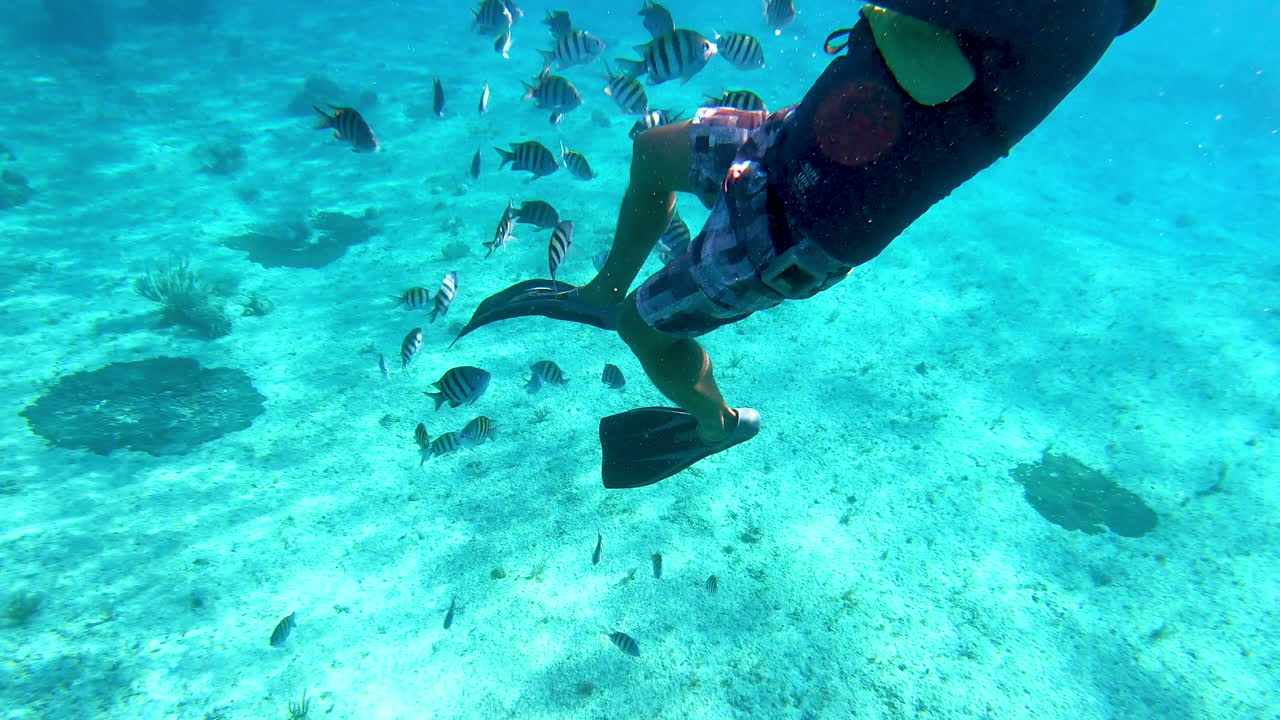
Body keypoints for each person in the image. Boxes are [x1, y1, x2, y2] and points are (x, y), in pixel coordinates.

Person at [455, 0, 1158, 488]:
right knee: (653, 151)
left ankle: (716, 423)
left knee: (648, 329)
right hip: (799, 141)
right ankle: (603, 291)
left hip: (802, 221)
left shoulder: (1075, 11)